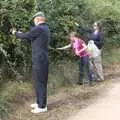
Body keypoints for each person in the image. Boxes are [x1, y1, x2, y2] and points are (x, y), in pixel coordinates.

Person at [12, 12, 50, 113]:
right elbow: (30, 38)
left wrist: (15, 33)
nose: (34, 22)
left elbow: (27, 35)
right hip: (40, 59)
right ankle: (39, 102)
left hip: (40, 60)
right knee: (38, 81)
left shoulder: (39, 28)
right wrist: (21, 35)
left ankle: (42, 107)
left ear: (37, 19)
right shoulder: (45, 28)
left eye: (34, 20)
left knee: (40, 82)